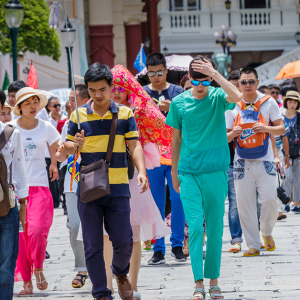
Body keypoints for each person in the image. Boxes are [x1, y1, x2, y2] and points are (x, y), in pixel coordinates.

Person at [64, 63, 148, 300]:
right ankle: (101, 292)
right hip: (89, 189)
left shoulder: (125, 113)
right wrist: (74, 145)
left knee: (124, 241)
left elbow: (134, 144)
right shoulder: (77, 115)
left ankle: (121, 275)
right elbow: (65, 150)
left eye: (102, 89)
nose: (97, 95)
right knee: (92, 246)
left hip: (119, 187)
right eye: (92, 90)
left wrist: (141, 171)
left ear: (112, 87)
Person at [166, 55, 241, 300]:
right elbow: (176, 139)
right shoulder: (178, 103)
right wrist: (175, 172)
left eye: (206, 81)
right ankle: (198, 283)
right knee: (196, 227)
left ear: (211, 79)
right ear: (189, 79)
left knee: (216, 228)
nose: (201, 86)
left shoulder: (218, 97)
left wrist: (217, 75)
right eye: (196, 81)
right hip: (188, 173)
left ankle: (214, 281)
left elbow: (237, 97)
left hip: (215, 172)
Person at [103, 64, 170, 300]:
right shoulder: (95, 110)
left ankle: (132, 285)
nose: (117, 92)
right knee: (105, 236)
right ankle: (107, 286)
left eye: (122, 87)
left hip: (132, 177)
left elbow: (165, 127)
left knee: (135, 235)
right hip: (105, 178)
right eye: (114, 87)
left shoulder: (140, 111)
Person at [226, 67, 285, 258]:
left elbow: (281, 129)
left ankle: (266, 232)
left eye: (251, 81)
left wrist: (265, 128)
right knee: (245, 205)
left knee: (269, 200)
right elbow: (223, 137)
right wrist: (233, 133)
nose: (247, 85)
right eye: (243, 82)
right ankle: (253, 245)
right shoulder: (231, 105)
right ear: (239, 84)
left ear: (257, 82)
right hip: (242, 162)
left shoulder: (269, 102)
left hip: (265, 159)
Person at [11, 87, 60, 296]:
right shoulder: (9, 128)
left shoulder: (46, 127)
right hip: (16, 189)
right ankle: (27, 281)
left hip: (39, 186)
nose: (33, 106)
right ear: (19, 107)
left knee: (38, 232)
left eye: (35, 102)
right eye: (27, 103)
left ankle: (38, 266)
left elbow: (57, 147)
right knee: (21, 238)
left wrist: (54, 163)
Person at [143, 52, 186, 265]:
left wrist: (173, 110)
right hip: (152, 155)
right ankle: (158, 248)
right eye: (151, 73)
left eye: (159, 72)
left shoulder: (178, 92)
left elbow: (187, 120)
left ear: (166, 71)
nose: (156, 76)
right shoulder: (142, 94)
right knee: (155, 203)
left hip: (175, 153)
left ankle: (177, 245)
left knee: (178, 200)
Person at [55, 84, 90, 288]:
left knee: (96, 226)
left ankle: (101, 265)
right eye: (69, 99)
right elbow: (61, 154)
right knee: (74, 226)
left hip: (96, 180)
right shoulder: (69, 123)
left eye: (72, 99)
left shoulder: (97, 121)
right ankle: (81, 268)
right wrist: (63, 152)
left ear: (85, 100)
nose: (68, 103)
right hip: (72, 181)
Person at [0, 89, 28, 300]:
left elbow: (19, 169)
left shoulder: (11, 133)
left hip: (6, 204)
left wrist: (24, 203)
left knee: (7, 262)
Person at [226, 70, 243, 253]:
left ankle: (256, 234)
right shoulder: (223, 106)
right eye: (232, 84)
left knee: (255, 202)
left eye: (239, 84)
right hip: (227, 161)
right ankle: (236, 239)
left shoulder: (251, 105)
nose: (236, 88)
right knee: (234, 203)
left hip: (251, 158)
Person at [282, 91, 300, 213]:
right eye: (290, 101)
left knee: (298, 178)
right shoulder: (281, 116)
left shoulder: (299, 116)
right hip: (284, 152)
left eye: (294, 102)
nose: (292, 104)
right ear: (286, 102)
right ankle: (286, 202)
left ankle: (296, 204)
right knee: (287, 177)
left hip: (298, 152)